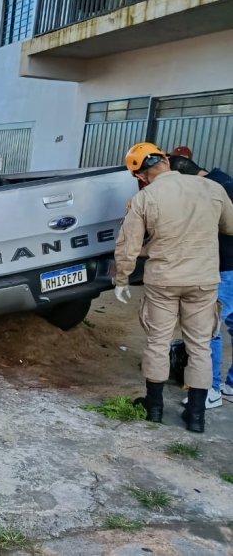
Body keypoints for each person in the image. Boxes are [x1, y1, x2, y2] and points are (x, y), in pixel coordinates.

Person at [113, 142, 233, 432]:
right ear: (165, 160)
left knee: (157, 342)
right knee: (200, 345)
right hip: (203, 281)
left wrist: (122, 279)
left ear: (140, 176)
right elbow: (230, 227)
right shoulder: (213, 189)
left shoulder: (144, 198)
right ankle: (196, 415)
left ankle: (154, 408)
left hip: (163, 281)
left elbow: (128, 246)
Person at [168, 151, 233, 408]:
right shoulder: (223, 181)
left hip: (225, 270)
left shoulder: (215, 191)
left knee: (208, 329)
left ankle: (210, 390)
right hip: (228, 269)